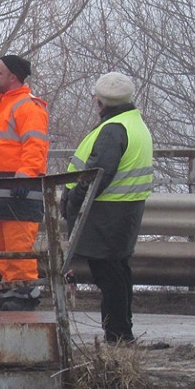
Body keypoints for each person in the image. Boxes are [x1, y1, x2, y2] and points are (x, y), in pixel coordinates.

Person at [64, 72, 153, 344]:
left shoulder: (113, 129)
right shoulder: (134, 122)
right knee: (118, 270)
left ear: (100, 102)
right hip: (123, 213)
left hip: (106, 214)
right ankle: (121, 330)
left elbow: (96, 174)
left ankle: (117, 333)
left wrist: (73, 200)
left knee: (108, 273)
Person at [0, 54, 49, 310]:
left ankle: (24, 292)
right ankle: (11, 292)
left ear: (13, 77)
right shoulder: (1, 106)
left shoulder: (28, 107)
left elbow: (35, 145)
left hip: (18, 188)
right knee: (1, 244)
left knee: (18, 244)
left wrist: (26, 175)